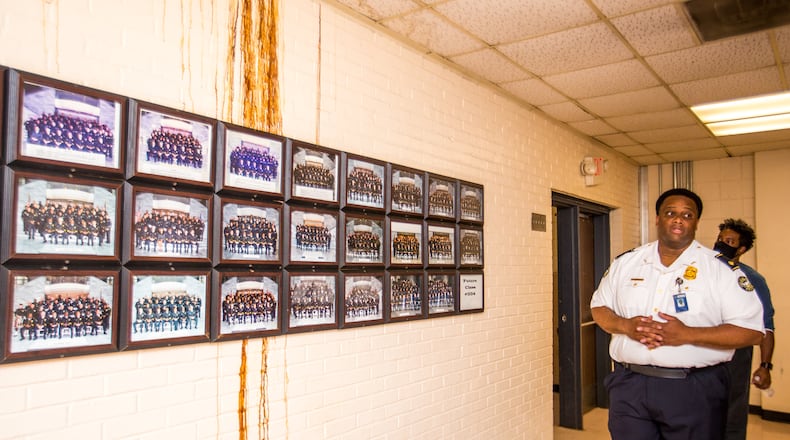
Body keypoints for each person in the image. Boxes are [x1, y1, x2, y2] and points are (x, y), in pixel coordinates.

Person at [590, 188, 765, 439]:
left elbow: (751, 332)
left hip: (693, 388)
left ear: (696, 222)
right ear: (658, 219)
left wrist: (687, 334)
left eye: (687, 215)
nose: (678, 219)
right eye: (670, 213)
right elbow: (599, 307)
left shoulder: (720, 269)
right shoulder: (626, 263)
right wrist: (625, 326)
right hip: (629, 384)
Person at [713, 218, 776, 440]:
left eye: (728, 241)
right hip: (700, 348)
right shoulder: (699, 270)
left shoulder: (752, 279)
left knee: (732, 414)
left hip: (735, 355)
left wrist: (765, 366)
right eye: (720, 239)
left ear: (741, 249)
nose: (720, 244)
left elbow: (766, 326)